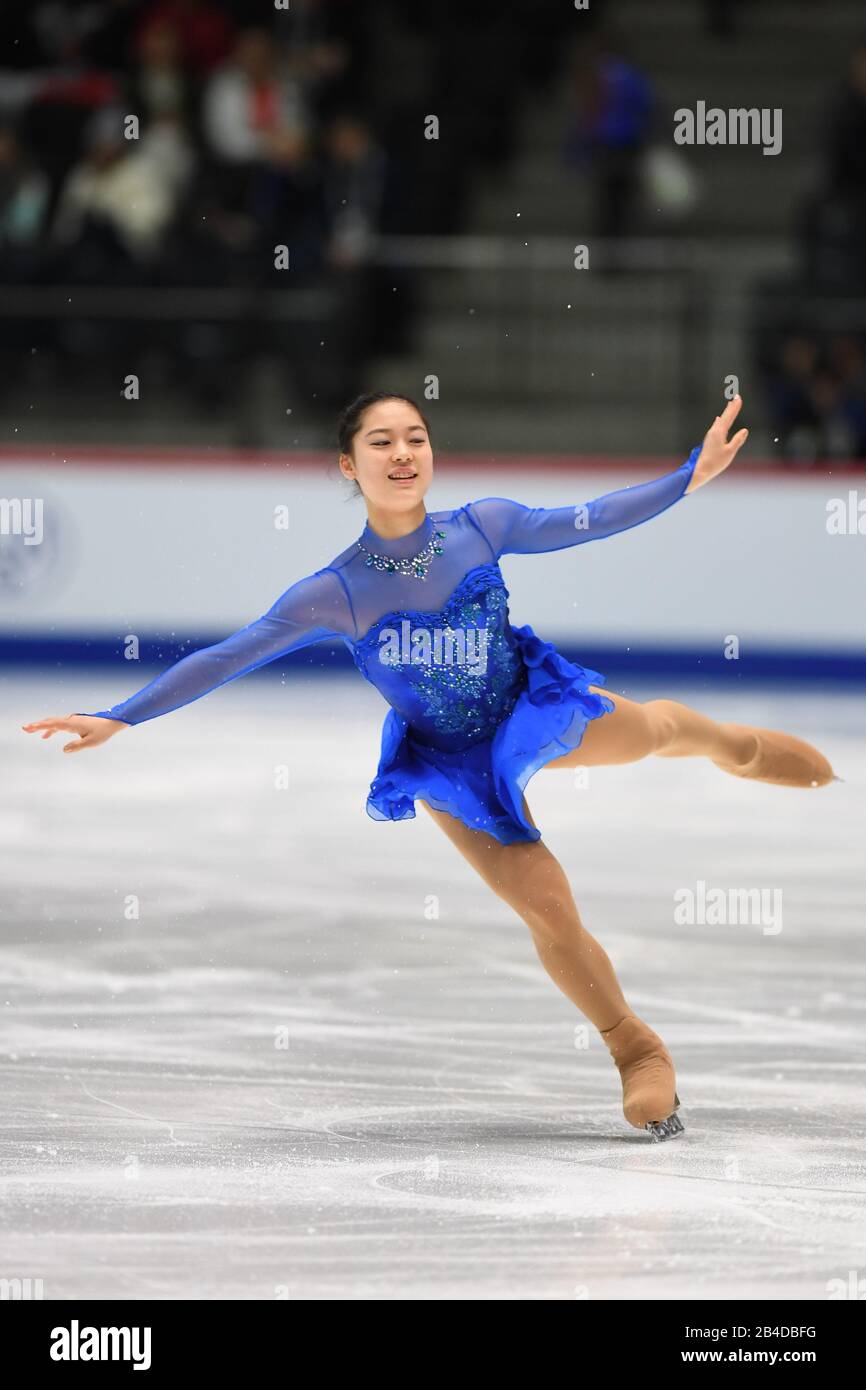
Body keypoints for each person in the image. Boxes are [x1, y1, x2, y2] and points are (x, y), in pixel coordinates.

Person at [23, 393, 837, 1141]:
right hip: (452, 766)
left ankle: (736, 747)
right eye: (381, 442)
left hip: (530, 706)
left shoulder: (482, 524)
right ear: (350, 465)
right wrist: (119, 715)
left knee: (659, 729)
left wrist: (688, 477)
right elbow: (226, 657)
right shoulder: (333, 592)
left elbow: (587, 518)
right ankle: (635, 1048)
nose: (403, 452)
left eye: (416, 437)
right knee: (549, 906)